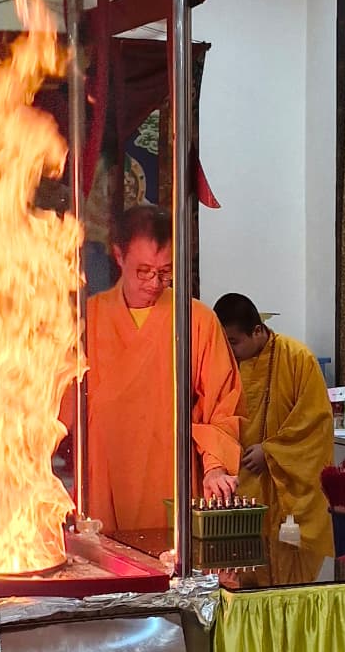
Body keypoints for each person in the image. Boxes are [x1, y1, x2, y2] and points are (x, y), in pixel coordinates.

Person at [84, 205, 241, 540]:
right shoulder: (89, 318)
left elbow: (222, 405)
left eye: (165, 272)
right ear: (118, 256)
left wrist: (215, 467)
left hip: (171, 477)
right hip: (104, 480)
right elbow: (56, 405)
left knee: (169, 557)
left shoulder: (196, 319)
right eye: (143, 271)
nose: (155, 283)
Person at [213, 293, 335, 584]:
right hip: (240, 490)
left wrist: (271, 452)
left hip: (287, 494)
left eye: (233, 342)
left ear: (257, 330)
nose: (228, 350)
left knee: (292, 585)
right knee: (240, 582)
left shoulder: (298, 359)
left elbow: (315, 426)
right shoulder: (220, 365)